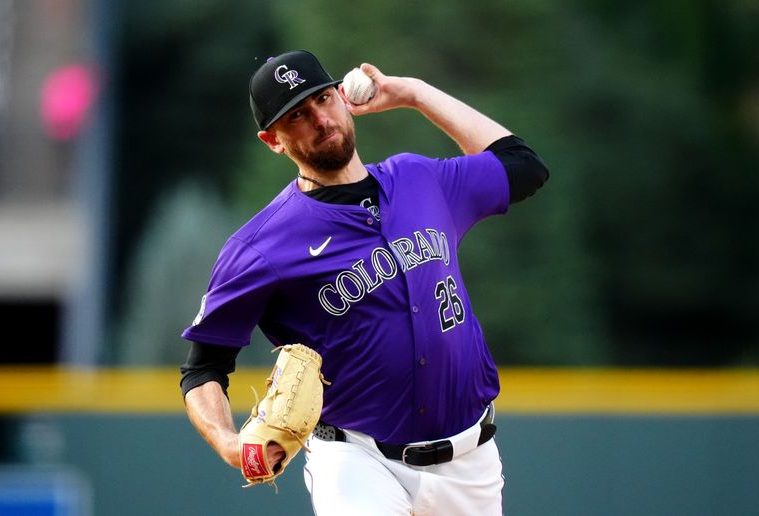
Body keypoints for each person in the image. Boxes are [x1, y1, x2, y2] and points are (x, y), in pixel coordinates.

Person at [180, 49, 548, 515]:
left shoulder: (421, 179)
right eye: (297, 115)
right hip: (355, 461)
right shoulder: (260, 246)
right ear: (273, 140)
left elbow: (524, 165)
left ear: (341, 96)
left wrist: (414, 93)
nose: (319, 118)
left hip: (470, 462)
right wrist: (230, 443)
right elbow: (202, 368)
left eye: (323, 98)